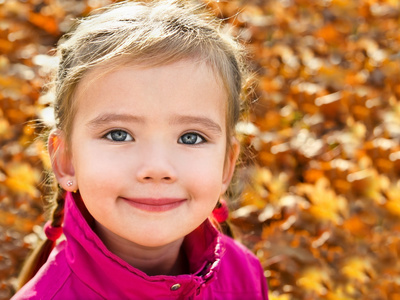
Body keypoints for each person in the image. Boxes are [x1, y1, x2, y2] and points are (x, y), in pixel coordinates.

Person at [12, 0, 268, 299]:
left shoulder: (243, 273)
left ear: (227, 165)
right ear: (67, 161)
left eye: (191, 138)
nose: (157, 168)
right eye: (119, 134)